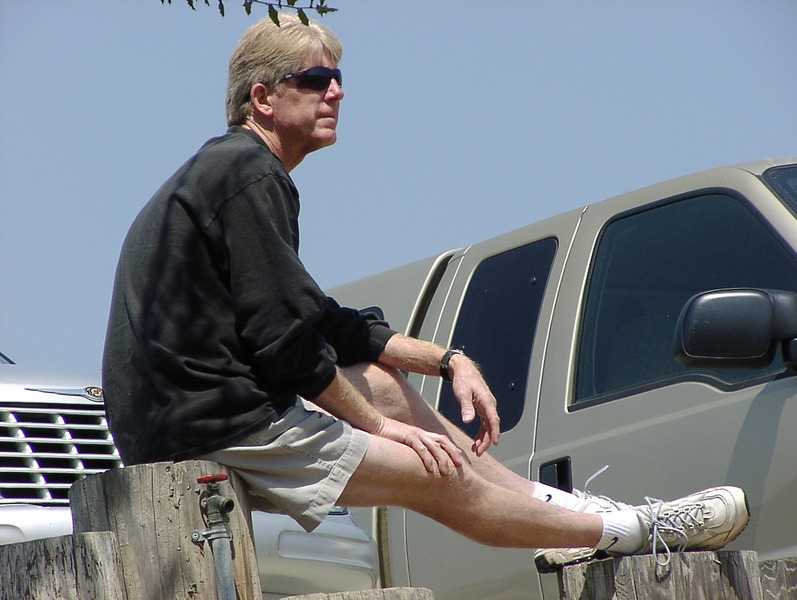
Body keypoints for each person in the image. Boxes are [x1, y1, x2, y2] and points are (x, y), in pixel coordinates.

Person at [102, 14, 749, 573]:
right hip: (205, 426)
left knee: (382, 385)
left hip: (196, 414)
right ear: (263, 98)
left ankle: (561, 508)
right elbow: (283, 342)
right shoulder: (248, 173)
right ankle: (634, 531)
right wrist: (381, 429)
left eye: (337, 78)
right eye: (315, 79)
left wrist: (449, 361)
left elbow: (323, 321)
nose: (336, 92)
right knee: (437, 472)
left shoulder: (229, 171)